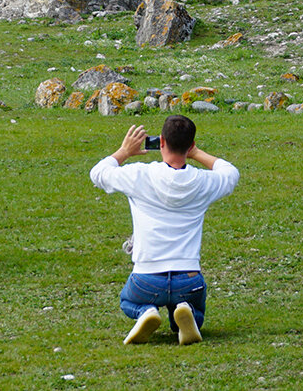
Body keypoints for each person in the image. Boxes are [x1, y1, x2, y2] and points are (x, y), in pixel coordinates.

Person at [90, 115, 239, 346]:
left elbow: (98, 173)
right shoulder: (202, 181)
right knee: (195, 308)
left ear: (160, 142)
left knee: (128, 301)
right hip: (188, 278)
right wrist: (197, 153)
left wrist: (124, 151)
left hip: (146, 278)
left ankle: (146, 311)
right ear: (190, 145)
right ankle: (185, 312)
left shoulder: (139, 175)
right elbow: (230, 173)